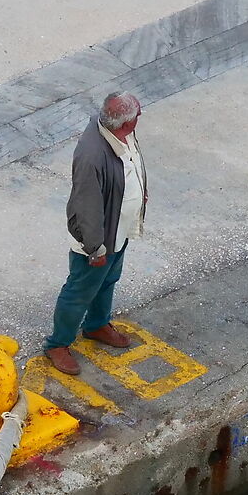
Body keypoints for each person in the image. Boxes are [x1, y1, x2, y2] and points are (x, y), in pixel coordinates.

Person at [46, 91, 147, 375]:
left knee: (108, 281)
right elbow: (87, 206)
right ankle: (57, 344)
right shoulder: (92, 155)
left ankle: (97, 325)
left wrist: (141, 194)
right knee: (78, 292)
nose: (140, 117)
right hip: (97, 241)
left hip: (120, 228)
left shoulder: (121, 134)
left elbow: (132, 165)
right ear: (125, 122)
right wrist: (95, 248)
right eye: (137, 114)